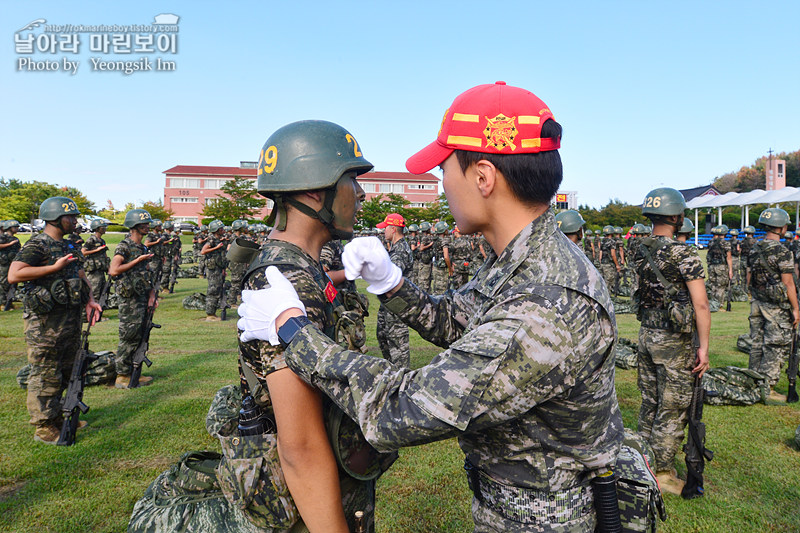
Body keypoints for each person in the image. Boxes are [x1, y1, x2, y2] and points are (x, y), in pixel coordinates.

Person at [240, 82, 623, 531]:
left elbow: (405, 407)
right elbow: (458, 322)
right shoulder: (525, 260)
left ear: (483, 177)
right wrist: (392, 284)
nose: (441, 186)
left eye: (444, 170)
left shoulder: (549, 300)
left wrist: (293, 331)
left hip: (545, 517)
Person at [237, 120, 393, 532]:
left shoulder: (303, 267)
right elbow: (301, 447)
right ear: (312, 188)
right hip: (313, 507)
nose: (360, 194)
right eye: (351, 179)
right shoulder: (283, 279)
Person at [633, 187, 710, 495]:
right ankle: (662, 472)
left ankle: (641, 460)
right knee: (673, 406)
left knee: (650, 401)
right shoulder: (684, 253)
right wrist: (703, 347)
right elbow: (700, 305)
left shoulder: (641, 250)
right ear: (678, 216)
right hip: (674, 341)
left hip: (647, 335)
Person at [8, 197, 102, 443]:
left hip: (70, 319)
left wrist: (90, 299)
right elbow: (14, 274)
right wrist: (52, 268)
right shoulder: (37, 245)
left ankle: (59, 414)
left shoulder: (70, 245)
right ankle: (44, 425)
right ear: (55, 218)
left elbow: (80, 274)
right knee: (45, 371)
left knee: (67, 369)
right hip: (44, 323)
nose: (75, 221)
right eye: (70, 217)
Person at [746, 208, 800, 401]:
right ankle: (767, 388)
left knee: (757, 342)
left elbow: (750, 274)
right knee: (775, 345)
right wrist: (795, 308)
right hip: (776, 307)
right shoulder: (782, 251)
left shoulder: (755, 247)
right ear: (782, 227)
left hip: (758, 302)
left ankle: (754, 380)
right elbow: (788, 283)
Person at [109, 209, 158, 388]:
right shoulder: (125, 246)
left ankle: (133, 370)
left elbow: (147, 274)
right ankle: (122, 374)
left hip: (142, 296)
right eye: (143, 224)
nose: (147, 226)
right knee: (129, 335)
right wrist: (135, 261)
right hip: (129, 299)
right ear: (134, 226)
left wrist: (152, 296)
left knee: (140, 334)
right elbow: (114, 270)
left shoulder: (142, 247)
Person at [375, 213, 413, 367]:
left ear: (393, 229)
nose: (383, 232)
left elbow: (390, 278)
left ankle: (402, 377)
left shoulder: (401, 250)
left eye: (385, 228)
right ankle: (392, 371)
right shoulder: (395, 248)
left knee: (398, 343)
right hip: (389, 303)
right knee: (383, 336)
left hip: (398, 304)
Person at [200, 220, 228, 321]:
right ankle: (210, 314)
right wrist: (215, 248)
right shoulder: (211, 240)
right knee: (213, 290)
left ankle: (215, 311)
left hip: (219, 267)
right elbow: (203, 251)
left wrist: (224, 268)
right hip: (213, 269)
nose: (223, 230)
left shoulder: (220, 239)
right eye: (220, 229)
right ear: (216, 230)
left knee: (219, 289)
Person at [82, 219, 110, 303]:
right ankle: (90, 315)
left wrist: (109, 267)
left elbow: (105, 254)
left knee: (102, 292)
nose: (105, 228)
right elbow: (83, 252)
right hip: (94, 271)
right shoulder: (91, 240)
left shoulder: (102, 241)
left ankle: (99, 315)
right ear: (97, 228)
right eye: (103, 227)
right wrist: (96, 250)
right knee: (94, 292)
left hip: (101, 270)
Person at [706, 225, 732, 306]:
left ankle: (712, 303)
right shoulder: (726, 243)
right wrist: (730, 270)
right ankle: (719, 304)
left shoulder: (711, 242)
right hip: (721, 266)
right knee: (721, 286)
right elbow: (729, 257)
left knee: (712, 284)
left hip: (711, 266)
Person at [0, 220, 22, 309]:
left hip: (13, 263)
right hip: (4, 263)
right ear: (9, 228)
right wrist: (9, 244)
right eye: (15, 227)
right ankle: (2, 303)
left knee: (13, 283)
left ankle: (9, 303)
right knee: (3, 283)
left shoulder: (15, 239)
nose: (17, 229)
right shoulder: (3, 237)